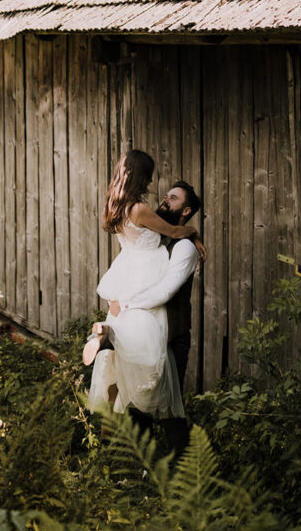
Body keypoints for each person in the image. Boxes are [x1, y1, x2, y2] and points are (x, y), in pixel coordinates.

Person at [83, 150, 203, 419]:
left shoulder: (118, 206)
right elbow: (172, 232)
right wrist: (194, 233)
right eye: (148, 178)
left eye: (172, 197)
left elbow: (166, 234)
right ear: (139, 177)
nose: (152, 186)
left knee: (127, 330)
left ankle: (106, 339)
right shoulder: (140, 209)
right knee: (147, 347)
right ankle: (108, 343)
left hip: (128, 273)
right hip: (146, 275)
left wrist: (191, 241)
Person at [105, 180, 202, 451]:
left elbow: (165, 291)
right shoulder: (156, 240)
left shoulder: (184, 249)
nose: (164, 201)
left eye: (173, 198)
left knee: (169, 405)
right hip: (145, 332)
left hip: (170, 334)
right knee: (138, 399)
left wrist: (124, 305)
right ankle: (140, 466)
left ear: (186, 211)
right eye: (165, 196)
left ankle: (182, 469)